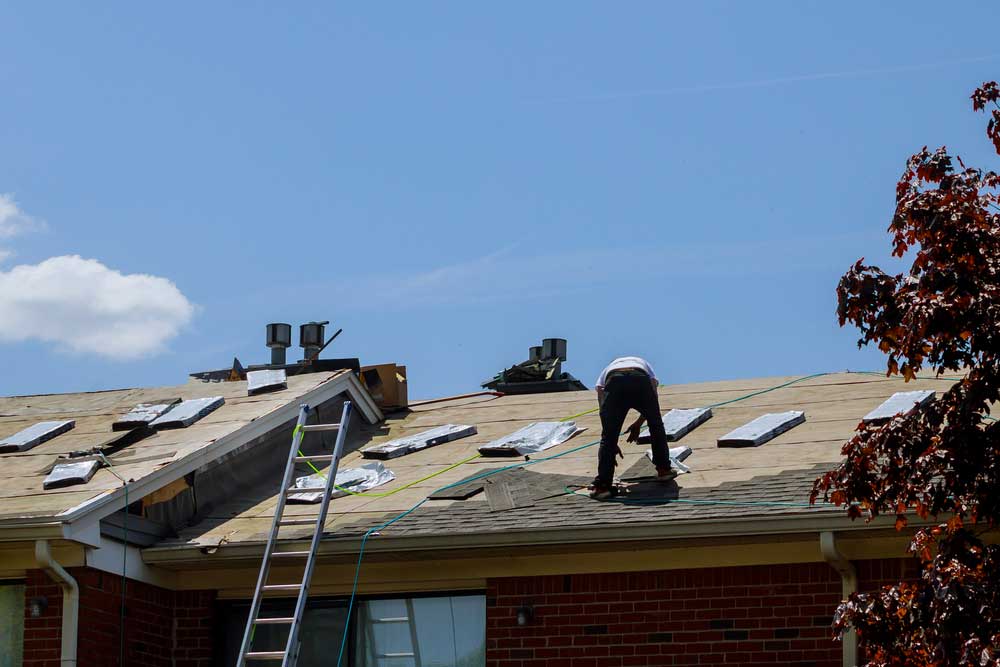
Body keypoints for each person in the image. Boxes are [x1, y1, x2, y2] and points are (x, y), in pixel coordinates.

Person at [591, 356, 675, 499]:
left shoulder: (609, 369)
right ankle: (664, 470)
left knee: (608, 437)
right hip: (639, 378)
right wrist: (640, 422)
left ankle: (603, 487)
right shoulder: (644, 364)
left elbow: (601, 397)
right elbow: (653, 402)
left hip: (614, 382)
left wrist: (611, 441)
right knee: (656, 425)